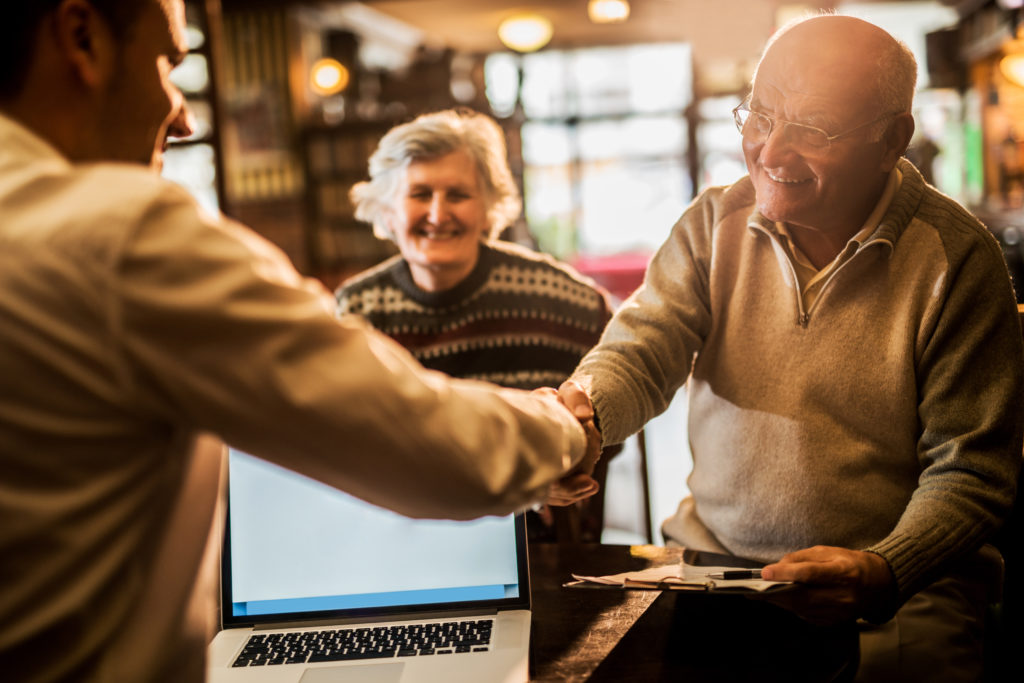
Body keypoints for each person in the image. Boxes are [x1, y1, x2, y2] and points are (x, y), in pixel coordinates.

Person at [0, 2, 600, 681]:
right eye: (169, 63)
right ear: (81, 38)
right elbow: (420, 437)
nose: (184, 115)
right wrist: (563, 423)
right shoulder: (120, 235)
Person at [558, 14, 1023, 681]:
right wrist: (586, 414)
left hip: (899, 590)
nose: (771, 152)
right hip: (711, 565)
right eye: (759, 117)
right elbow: (644, 348)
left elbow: (973, 473)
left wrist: (887, 567)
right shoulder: (713, 222)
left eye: (811, 129)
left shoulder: (957, 260)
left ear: (893, 139)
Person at [336, 108, 616, 542]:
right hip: (404, 544)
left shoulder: (571, 304)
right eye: (420, 193)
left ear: (489, 206)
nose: (437, 213)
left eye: (458, 195)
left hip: (544, 552)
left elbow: (614, 420)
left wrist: (577, 459)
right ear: (386, 212)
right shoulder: (356, 311)